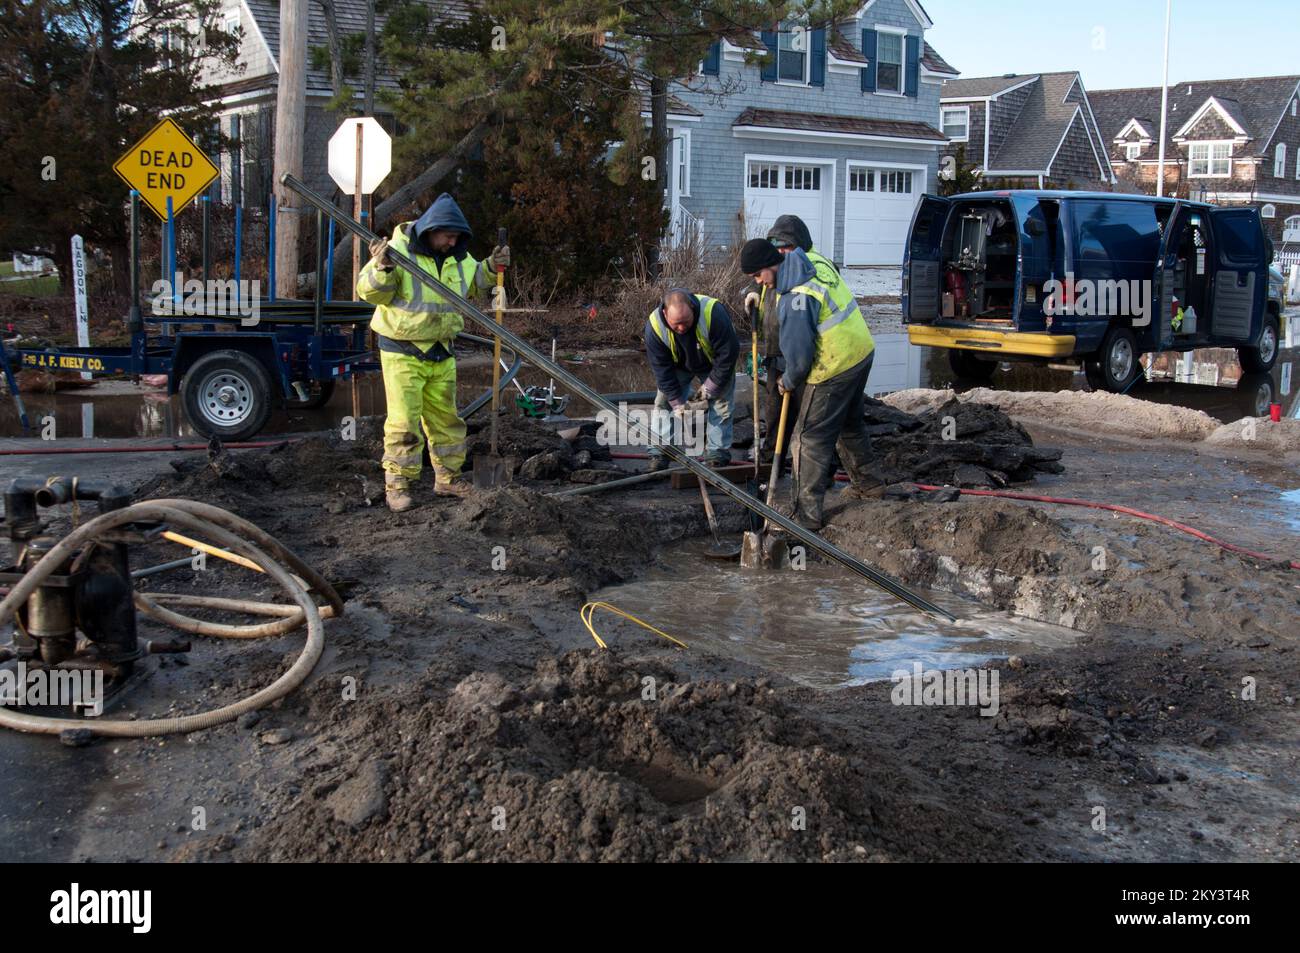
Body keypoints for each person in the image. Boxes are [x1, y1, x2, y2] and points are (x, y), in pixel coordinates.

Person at [357, 193, 509, 512]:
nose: (452, 242)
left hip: (442, 348)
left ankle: (448, 478)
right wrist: (381, 268)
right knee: (404, 421)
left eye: (456, 237)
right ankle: (397, 484)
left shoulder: (457, 258)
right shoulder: (396, 252)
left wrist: (492, 266)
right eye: (448, 236)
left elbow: (476, 281)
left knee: (447, 420)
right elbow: (369, 292)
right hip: (402, 350)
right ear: (432, 229)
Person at [740, 238, 877, 531]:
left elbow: (800, 361)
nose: (759, 283)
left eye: (757, 277)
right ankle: (870, 485)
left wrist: (786, 381)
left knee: (808, 438)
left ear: (770, 265)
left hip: (834, 364)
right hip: (860, 351)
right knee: (849, 423)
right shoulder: (811, 261)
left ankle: (806, 516)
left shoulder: (795, 299)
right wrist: (756, 293)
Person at [743, 215, 840, 465]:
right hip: (777, 349)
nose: (781, 251)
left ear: (799, 245)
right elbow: (763, 280)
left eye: (786, 246)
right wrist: (753, 293)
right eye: (776, 247)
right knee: (774, 409)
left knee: (811, 416)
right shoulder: (775, 265)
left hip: (809, 352)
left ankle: (820, 469)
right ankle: (771, 459)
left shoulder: (814, 266)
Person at [644, 288, 740, 470]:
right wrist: (676, 402)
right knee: (663, 403)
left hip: (714, 362)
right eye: (676, 324)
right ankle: (660, 452)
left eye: (686, 322)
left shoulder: (714, 313)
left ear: (692, 309)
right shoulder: (654, 326)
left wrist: (709, 388)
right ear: (665, 313)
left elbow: (728, 355)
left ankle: (716, 454)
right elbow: (661, 371)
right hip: (678, 364)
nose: (681, 328)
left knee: (721, 404)